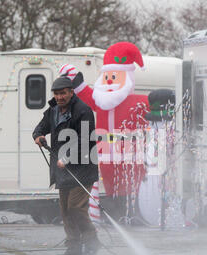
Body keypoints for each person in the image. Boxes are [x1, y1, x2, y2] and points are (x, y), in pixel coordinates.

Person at [59, 42, 149, 221]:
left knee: (131, 188)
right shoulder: (100, 101)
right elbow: (85, 94)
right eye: (107, 76)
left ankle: (133, 213)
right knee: (107, 189)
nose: (109, 80)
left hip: (130, 156)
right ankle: (112, 214)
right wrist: (75, 81)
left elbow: (152, 107)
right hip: (104, 156)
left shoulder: (137, 102)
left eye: (114, 76)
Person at [32, 76, 100, 255]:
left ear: (71, 92)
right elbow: (40, 127)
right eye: (57, 93)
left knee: (76, 208)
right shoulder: (53, 110)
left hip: (83, 169)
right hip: (63, 171)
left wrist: (67, 157)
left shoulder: (83, 111)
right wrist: (38, 136)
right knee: (65, 211)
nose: (60, 97)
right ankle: (73, 250)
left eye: (63, 93)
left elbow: (86, 139)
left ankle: (92, 242)